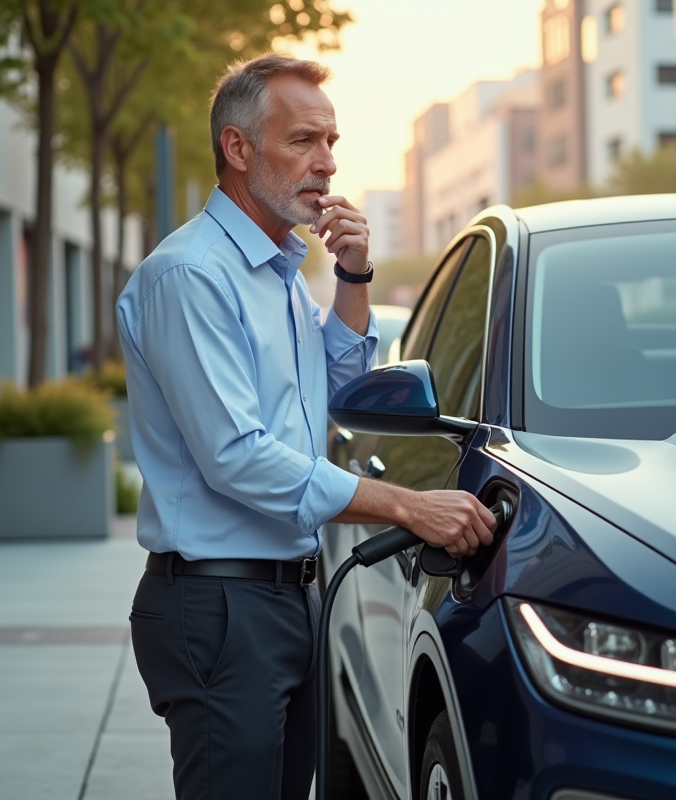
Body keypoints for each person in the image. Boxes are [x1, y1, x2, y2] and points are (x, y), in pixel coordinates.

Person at [114, 53, 496, 800]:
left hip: (287, 597)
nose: (326, 163)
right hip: (221, 605)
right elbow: (237, 457)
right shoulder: (192, 276)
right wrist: (408, 506)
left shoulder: (280, 273)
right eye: (303, 141)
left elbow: (342, 397)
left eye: (331, 142)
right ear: (237, 147)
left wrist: (352, 277)